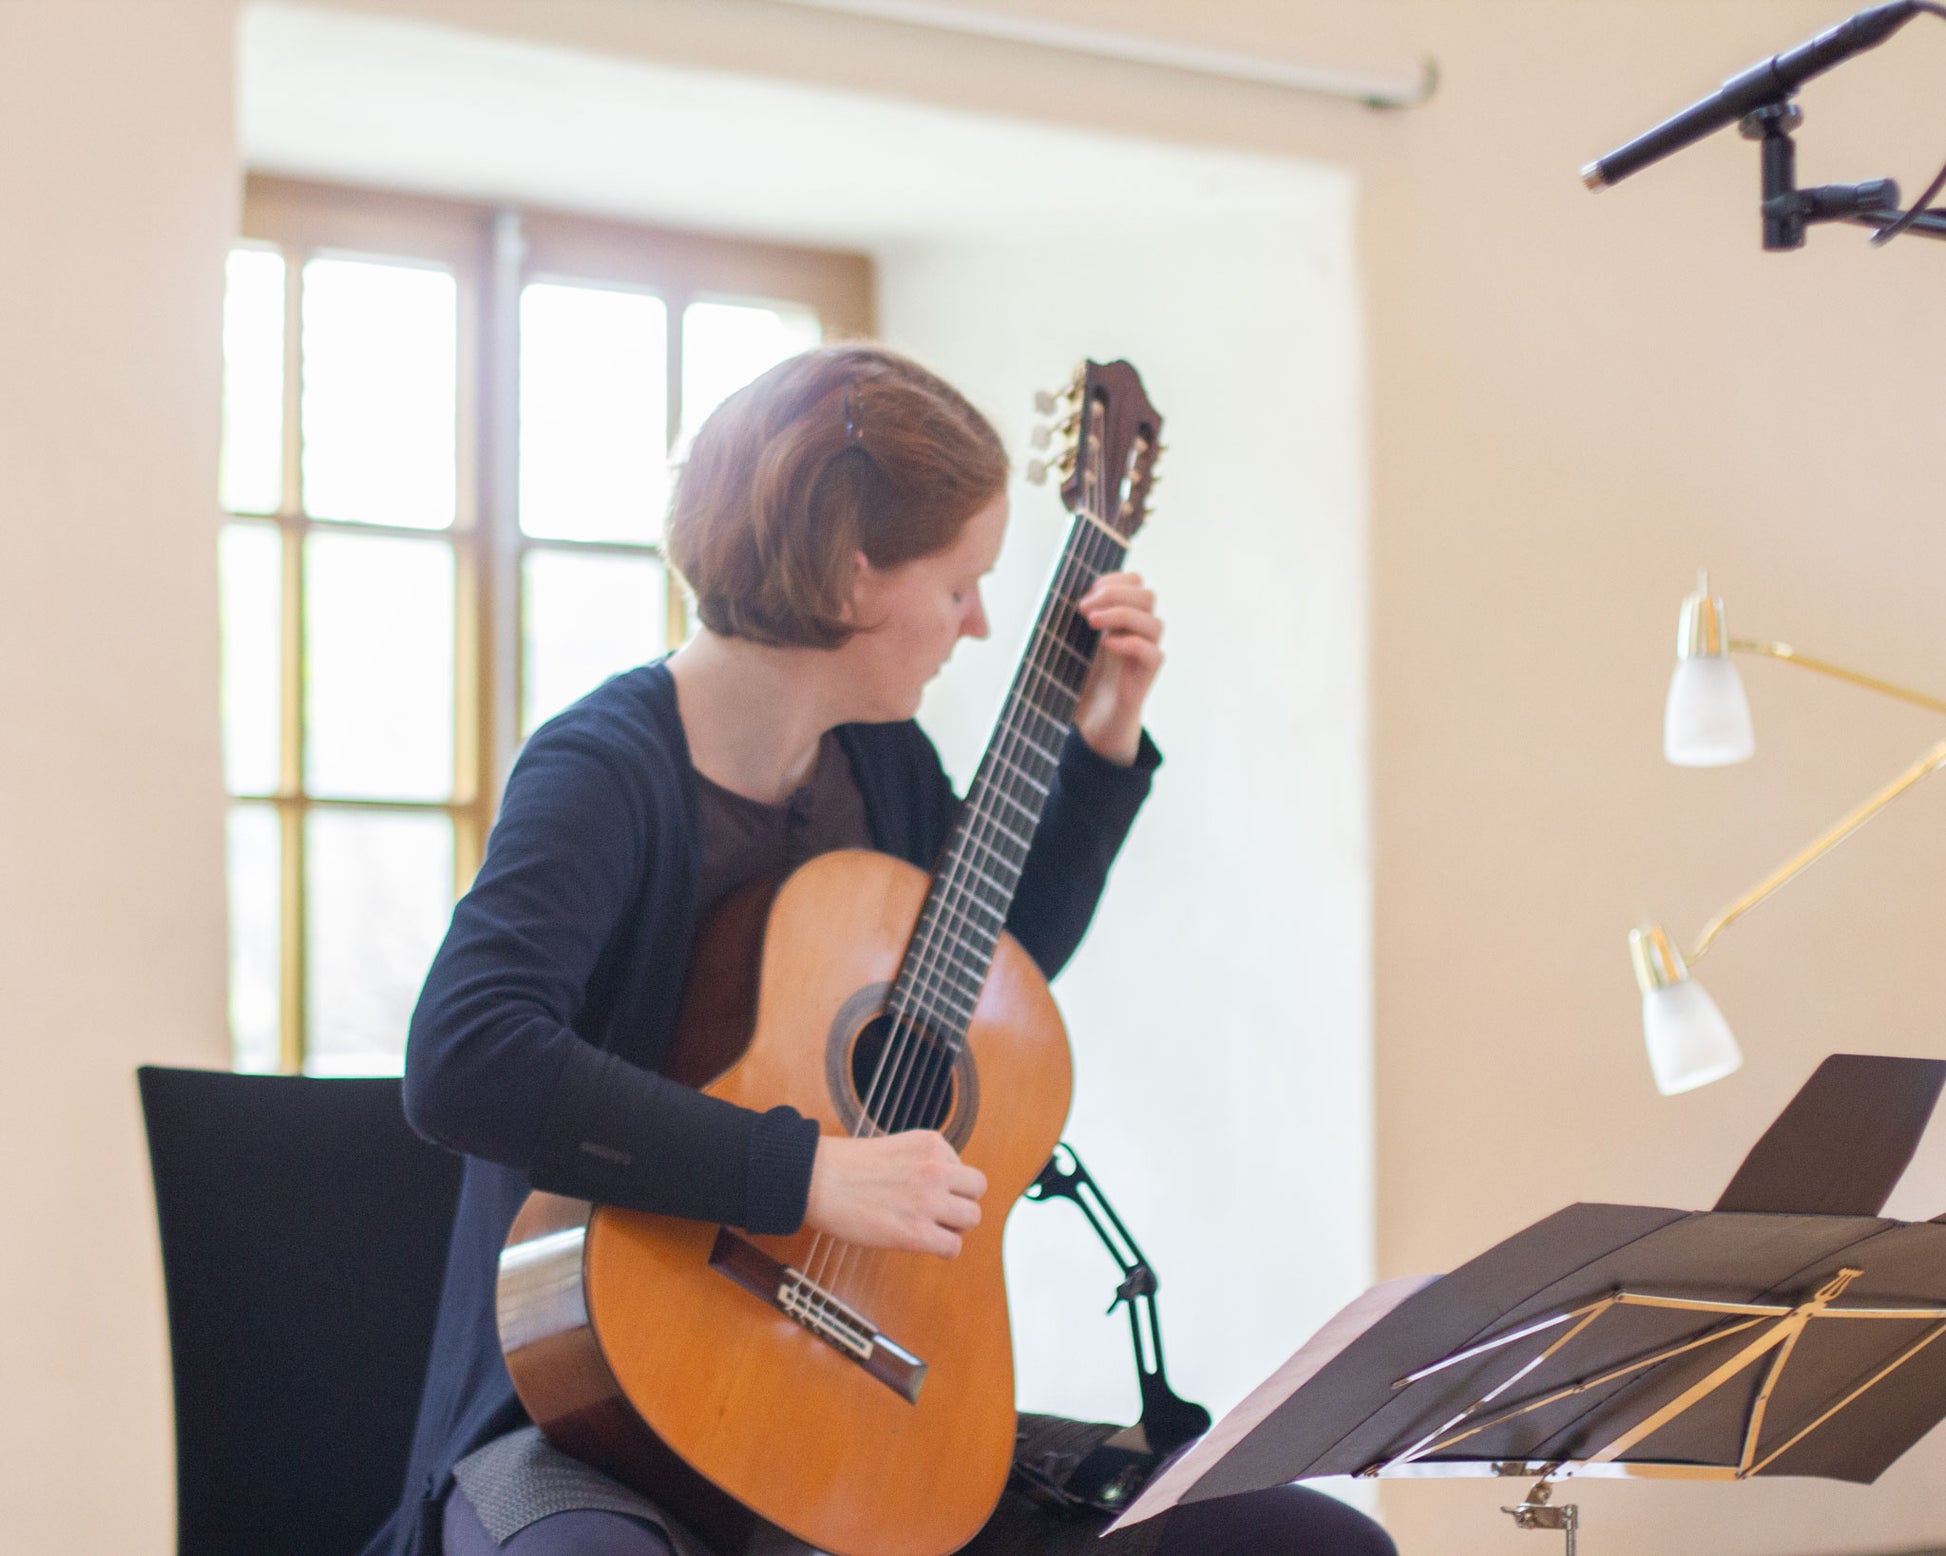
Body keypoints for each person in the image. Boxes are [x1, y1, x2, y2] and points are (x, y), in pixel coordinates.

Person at [364, 343, 1395, 1556]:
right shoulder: (604, 773)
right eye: (960, 581)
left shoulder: (879, 761)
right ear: (855, 579)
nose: (979, 622)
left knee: (1301, 1544)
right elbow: (466, 1060)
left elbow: (973, 983)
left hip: (861, 1377)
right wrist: (801, 1174)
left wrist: (1102, 746)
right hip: (590, 1411)